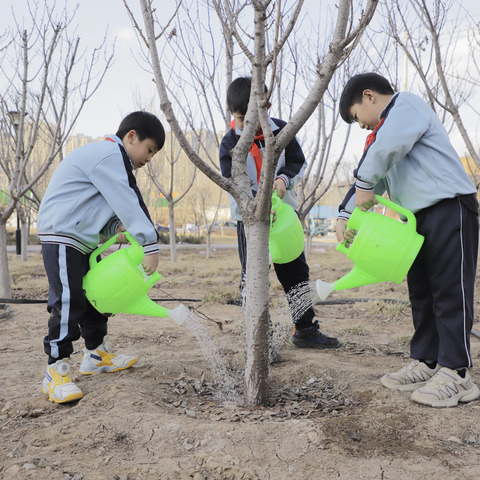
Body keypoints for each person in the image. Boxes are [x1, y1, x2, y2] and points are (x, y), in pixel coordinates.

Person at [336, 72, 479, 408]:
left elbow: (377, 162)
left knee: (448, 289)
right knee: (422, 291)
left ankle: (457, 372)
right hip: (415, 219)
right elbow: (375, 175)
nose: (362, 128)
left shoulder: (407, 106)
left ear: (369, 96)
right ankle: (428, 361)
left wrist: (365, 184)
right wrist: (344, 215)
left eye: (358, 118)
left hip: (449, 207)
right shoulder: (384, 139)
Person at [37, 111, 165, 403]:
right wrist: (149, 244)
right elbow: (129, 200)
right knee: (68, 302)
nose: (149, 159)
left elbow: (100, 206)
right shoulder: (109, 154)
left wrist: (115, 228)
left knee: (95, 295)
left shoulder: (111, 162)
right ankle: (55, 370)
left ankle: (96, 354)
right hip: (62, 236)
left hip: (79, 238)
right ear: (131, 136)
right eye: (149, 150)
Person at [219, 76, 340, 356]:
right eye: (240, 119)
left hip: (283, 218)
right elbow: (231, 178)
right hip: (249, 221)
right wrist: (257, 202)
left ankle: (305, 329)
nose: (246, 125)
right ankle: (261, 339)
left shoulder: (281, 131)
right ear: (232, 113)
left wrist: (284, 179)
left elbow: (298, 161)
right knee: (253, 277)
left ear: (266, 105)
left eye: (252, 118)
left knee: (296, 271)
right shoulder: (229, 143)